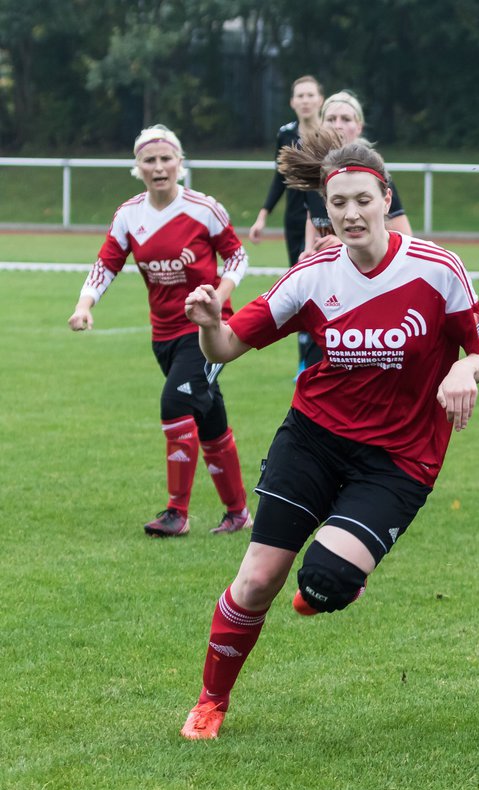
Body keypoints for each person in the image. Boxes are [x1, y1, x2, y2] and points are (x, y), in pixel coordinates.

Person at [178, 133, 479, 739]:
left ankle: (333, 581)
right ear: (325, 208)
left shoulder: (438, 269)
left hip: (399, 458)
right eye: (337, 204)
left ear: (385, 197)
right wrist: (209, 322)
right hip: (315, 440)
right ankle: (210, 702)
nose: (350, 214)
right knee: (256, 580)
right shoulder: (312, 274)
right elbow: (225, 347)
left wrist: (463, 368)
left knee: (322, 583)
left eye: (362, 200)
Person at [68, 124, 252, 538]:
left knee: (175, 403)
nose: (158, 166)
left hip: (207, 332)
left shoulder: (204, 208)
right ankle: (238, 513)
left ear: (180, 164)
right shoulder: (130, 215)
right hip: (163, 336)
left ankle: (177, 513)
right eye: (149, 160)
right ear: (138, 167)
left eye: (166, 158)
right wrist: (84, 305)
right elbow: (107, 264)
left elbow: (237, 257)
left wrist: (218, 297)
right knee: (209, 421)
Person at [246, 74, 324, 375]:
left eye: (310, 95)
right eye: (299, 96)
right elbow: (279, 177)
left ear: (320, 99)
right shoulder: (286, 134)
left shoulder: (331, 133)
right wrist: (263, 214)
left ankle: (328, 354)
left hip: (325, 220)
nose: (304, 100)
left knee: (326, 284)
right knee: (301, 287)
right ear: (292, 102)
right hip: (294, 221)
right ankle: (305, 358)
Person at [299, 90, 412, 263]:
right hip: (325, 273)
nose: (337, 125)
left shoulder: (374, 177)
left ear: (359, 126)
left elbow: (405, 237)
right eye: (331, 119)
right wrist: (308, 250)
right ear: (321, 125)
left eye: (346, 119)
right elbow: (313, 217)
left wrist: (346, 245)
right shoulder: (315, 173)